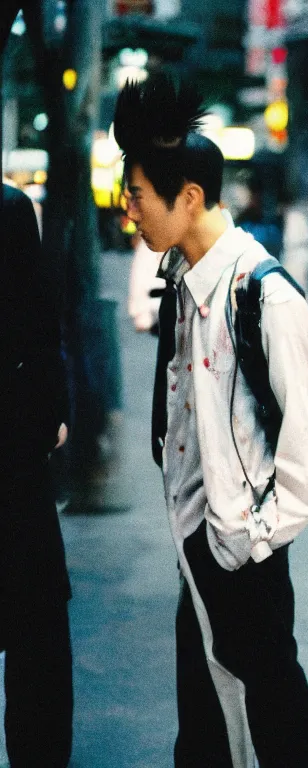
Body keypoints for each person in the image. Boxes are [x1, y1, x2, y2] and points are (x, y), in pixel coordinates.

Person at [113, 73, 308, 768]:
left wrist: (253, 540)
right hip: (196, 542)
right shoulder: (183, 277)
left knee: (273, 728)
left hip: (241, 552)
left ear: (188, 197)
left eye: (138, 195)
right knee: (206, 730)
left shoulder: (264, 294)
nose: (129, 211)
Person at [0, 182, 73, 766]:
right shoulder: (10, 210)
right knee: (34, 628)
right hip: (12, 454)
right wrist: (50, 417)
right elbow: (38, 324)